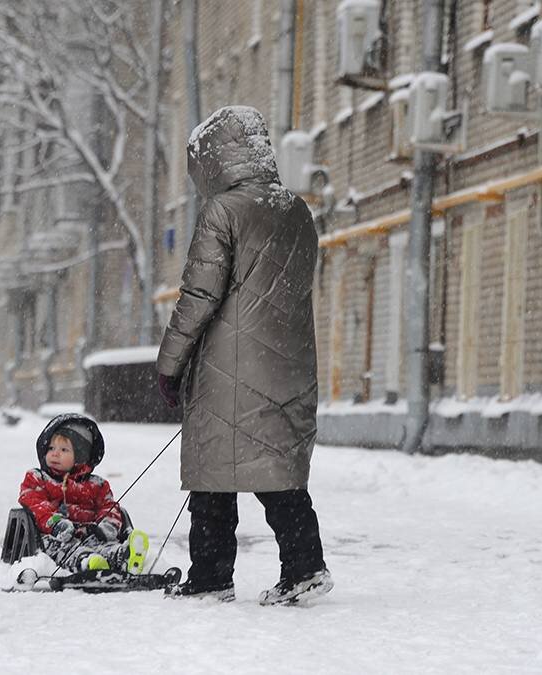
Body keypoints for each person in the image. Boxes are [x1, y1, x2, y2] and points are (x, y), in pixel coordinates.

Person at [156, 106, 332, 605]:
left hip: (228, 366)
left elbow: (200, 295)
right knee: (278, 472)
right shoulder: (296, 210)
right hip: (290, 361)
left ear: (214, 157)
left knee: (214, 476)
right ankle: (304, 566)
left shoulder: (223, 211)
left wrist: (170, 364)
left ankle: (211, 578)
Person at [18, 414, 147, 573]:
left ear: (80, 457)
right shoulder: (38, 478)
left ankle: (123, 557)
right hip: (54, 536)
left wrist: (106, 527)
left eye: (64, 450)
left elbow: (109, 507)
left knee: (104, 546)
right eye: (51, 448)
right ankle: (87, 563)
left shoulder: (97, 485)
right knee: (60, 548)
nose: (55, 453)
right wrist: (55, 523)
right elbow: (34, 503)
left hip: (90, 535)